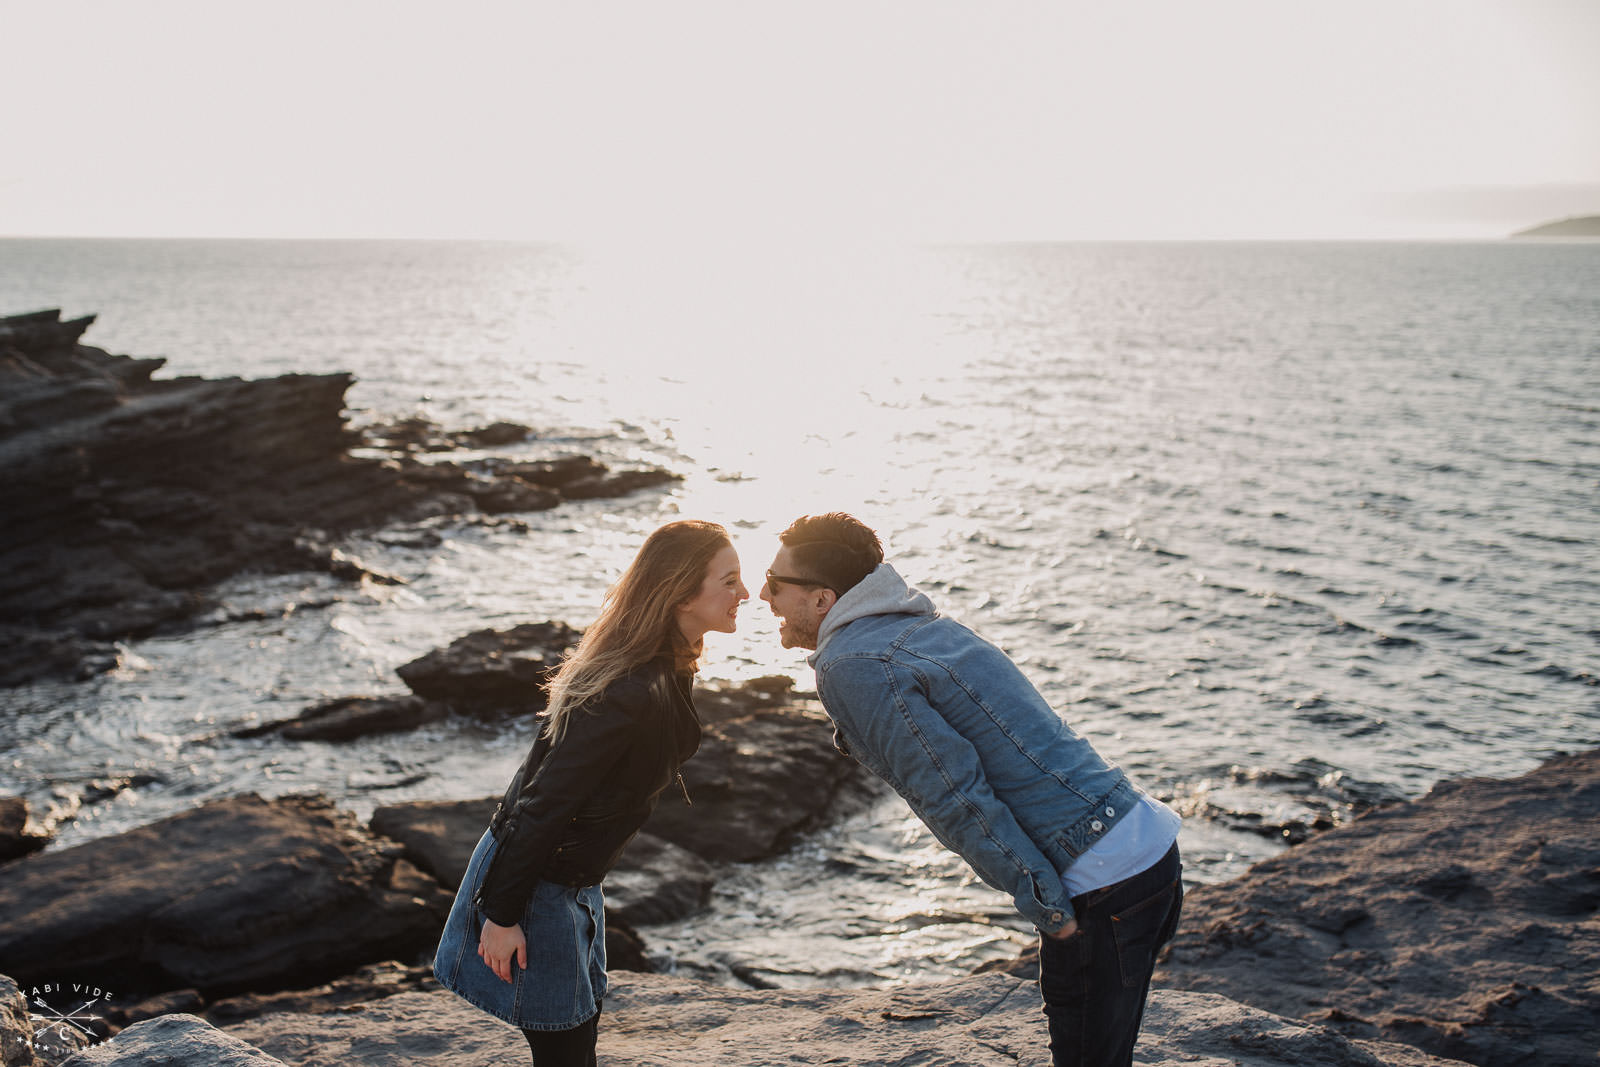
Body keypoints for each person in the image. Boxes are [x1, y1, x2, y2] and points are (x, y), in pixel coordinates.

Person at [760, 512, 1183, 1067]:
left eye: (774, 582)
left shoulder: (853, 663)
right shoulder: (921, 626)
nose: (760, 595)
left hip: (1100, 880)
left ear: (822, 600)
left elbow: (954, 796)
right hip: (1145, 846)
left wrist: (1045, 903)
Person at [434, 520, 748, 1066]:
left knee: (577, 1033)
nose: (745, 593)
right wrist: (501, 915)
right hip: (538, 882)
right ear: (679, 593)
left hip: (571, 879)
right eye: (729, 580)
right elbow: (546, 800)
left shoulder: (665, 664)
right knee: (566, 1045)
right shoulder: (628, 689)